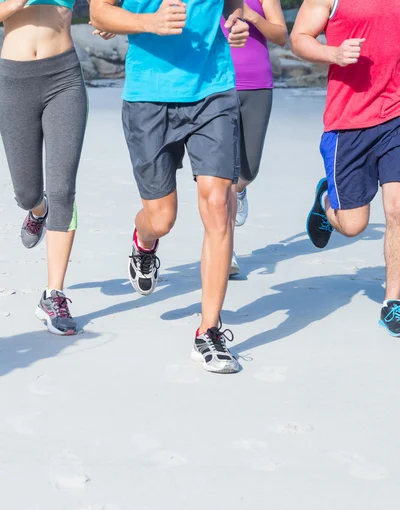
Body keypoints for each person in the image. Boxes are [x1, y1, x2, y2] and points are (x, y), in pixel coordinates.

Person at [90, 0, 249, 372]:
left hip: (213, 90)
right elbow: (98, 12)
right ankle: (144, 242)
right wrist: (147, 21)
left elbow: (234, 6)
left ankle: (209, 330)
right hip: (148, 94)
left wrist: (236, 21)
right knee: (161, 218)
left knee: (217, 204)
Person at [0, 1, 113, 335]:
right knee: (25, 192)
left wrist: (108, 20)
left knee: (63, 188)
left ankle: (54, 294)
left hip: (64, 77)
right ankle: (38, 209)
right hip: (13, 80)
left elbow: (103, 7)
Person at [291, 0, 400, 337]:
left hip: (395, 114)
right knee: (353, 225)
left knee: (398, 210)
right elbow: (299, 38)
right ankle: (327, 201)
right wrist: (334, 54)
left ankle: (393, 302)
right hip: (348, 123)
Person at [222, 0, 287, 276]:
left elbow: (282, 36)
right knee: (222, 176)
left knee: (247, 171)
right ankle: (227, 253)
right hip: (218, 86)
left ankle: (241, 189)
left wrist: (253, 18)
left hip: (258, 86)